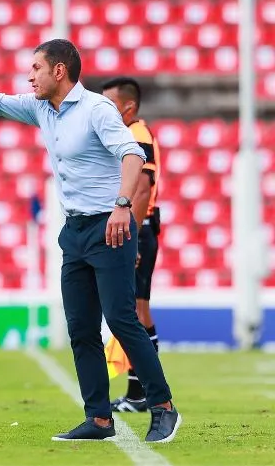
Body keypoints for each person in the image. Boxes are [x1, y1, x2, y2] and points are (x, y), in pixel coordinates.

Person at [0, 39, 181, 443]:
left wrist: (123, 206)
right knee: (81, 328)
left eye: (35, 67)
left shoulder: (96, 109)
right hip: (75, 231)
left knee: (122, 320)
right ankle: (99, 419)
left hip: (111, 226)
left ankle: (163, 408)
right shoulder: (42, 108)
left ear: (59, 71)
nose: (28, 75)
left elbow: (132, 155)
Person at [101, 77, 163, 412]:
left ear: (129, 107)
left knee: (134, 313)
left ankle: (145, 394)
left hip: (139, 228)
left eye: (110, 106)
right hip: (143, 228)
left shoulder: (136, 135)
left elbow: (140, 189)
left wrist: (132, 237)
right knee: (138, 311)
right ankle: (140, 393)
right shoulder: (132, 134)